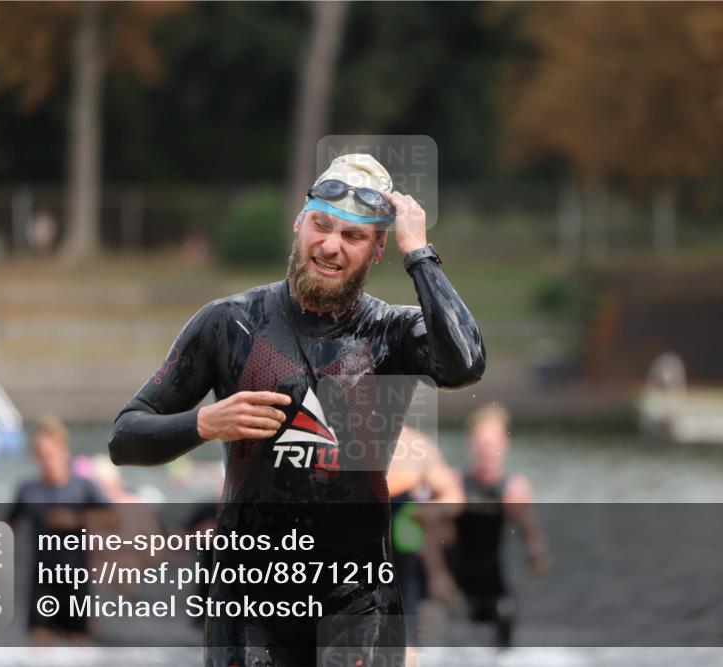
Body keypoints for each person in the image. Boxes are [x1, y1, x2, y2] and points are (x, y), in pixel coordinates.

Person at [109, 153, 486, 667]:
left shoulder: (391, 334)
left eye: (353, 237)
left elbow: (464, 364)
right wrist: (204, 422)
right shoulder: (230, 324)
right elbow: (125, 437)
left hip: (358, 602)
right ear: (299, 224)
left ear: (377, 250)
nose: (330, 246)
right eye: (321, 225)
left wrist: (419, 252)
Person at [448, 404, 549, 650]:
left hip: (494, 584)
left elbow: (532, 536)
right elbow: (430, 539)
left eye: (491, 442)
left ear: (505, 443)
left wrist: (536, 556)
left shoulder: (514, 490)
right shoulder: (453, 485)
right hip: (454, 587)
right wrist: (438, 579)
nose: (485, 448)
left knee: (505, 616)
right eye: (480, 442)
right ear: (471, 443)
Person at [7, 416, 114, 646]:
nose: (46, 461)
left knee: (77, 644)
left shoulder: (83, 487)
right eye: (40, 455)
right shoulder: (28, 490)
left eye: (50, 454)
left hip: (76, 579)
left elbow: (113, 517)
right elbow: (8, 524)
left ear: (64, 451)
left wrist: (76, 519)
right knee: (39, 647)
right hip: (42, 580)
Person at [386, 426, 463, 647]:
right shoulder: (336, 436)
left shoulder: (415, 447)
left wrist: (432, 510)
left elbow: (454, 497)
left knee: (406, 640)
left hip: (403, 564)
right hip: (352, 562)